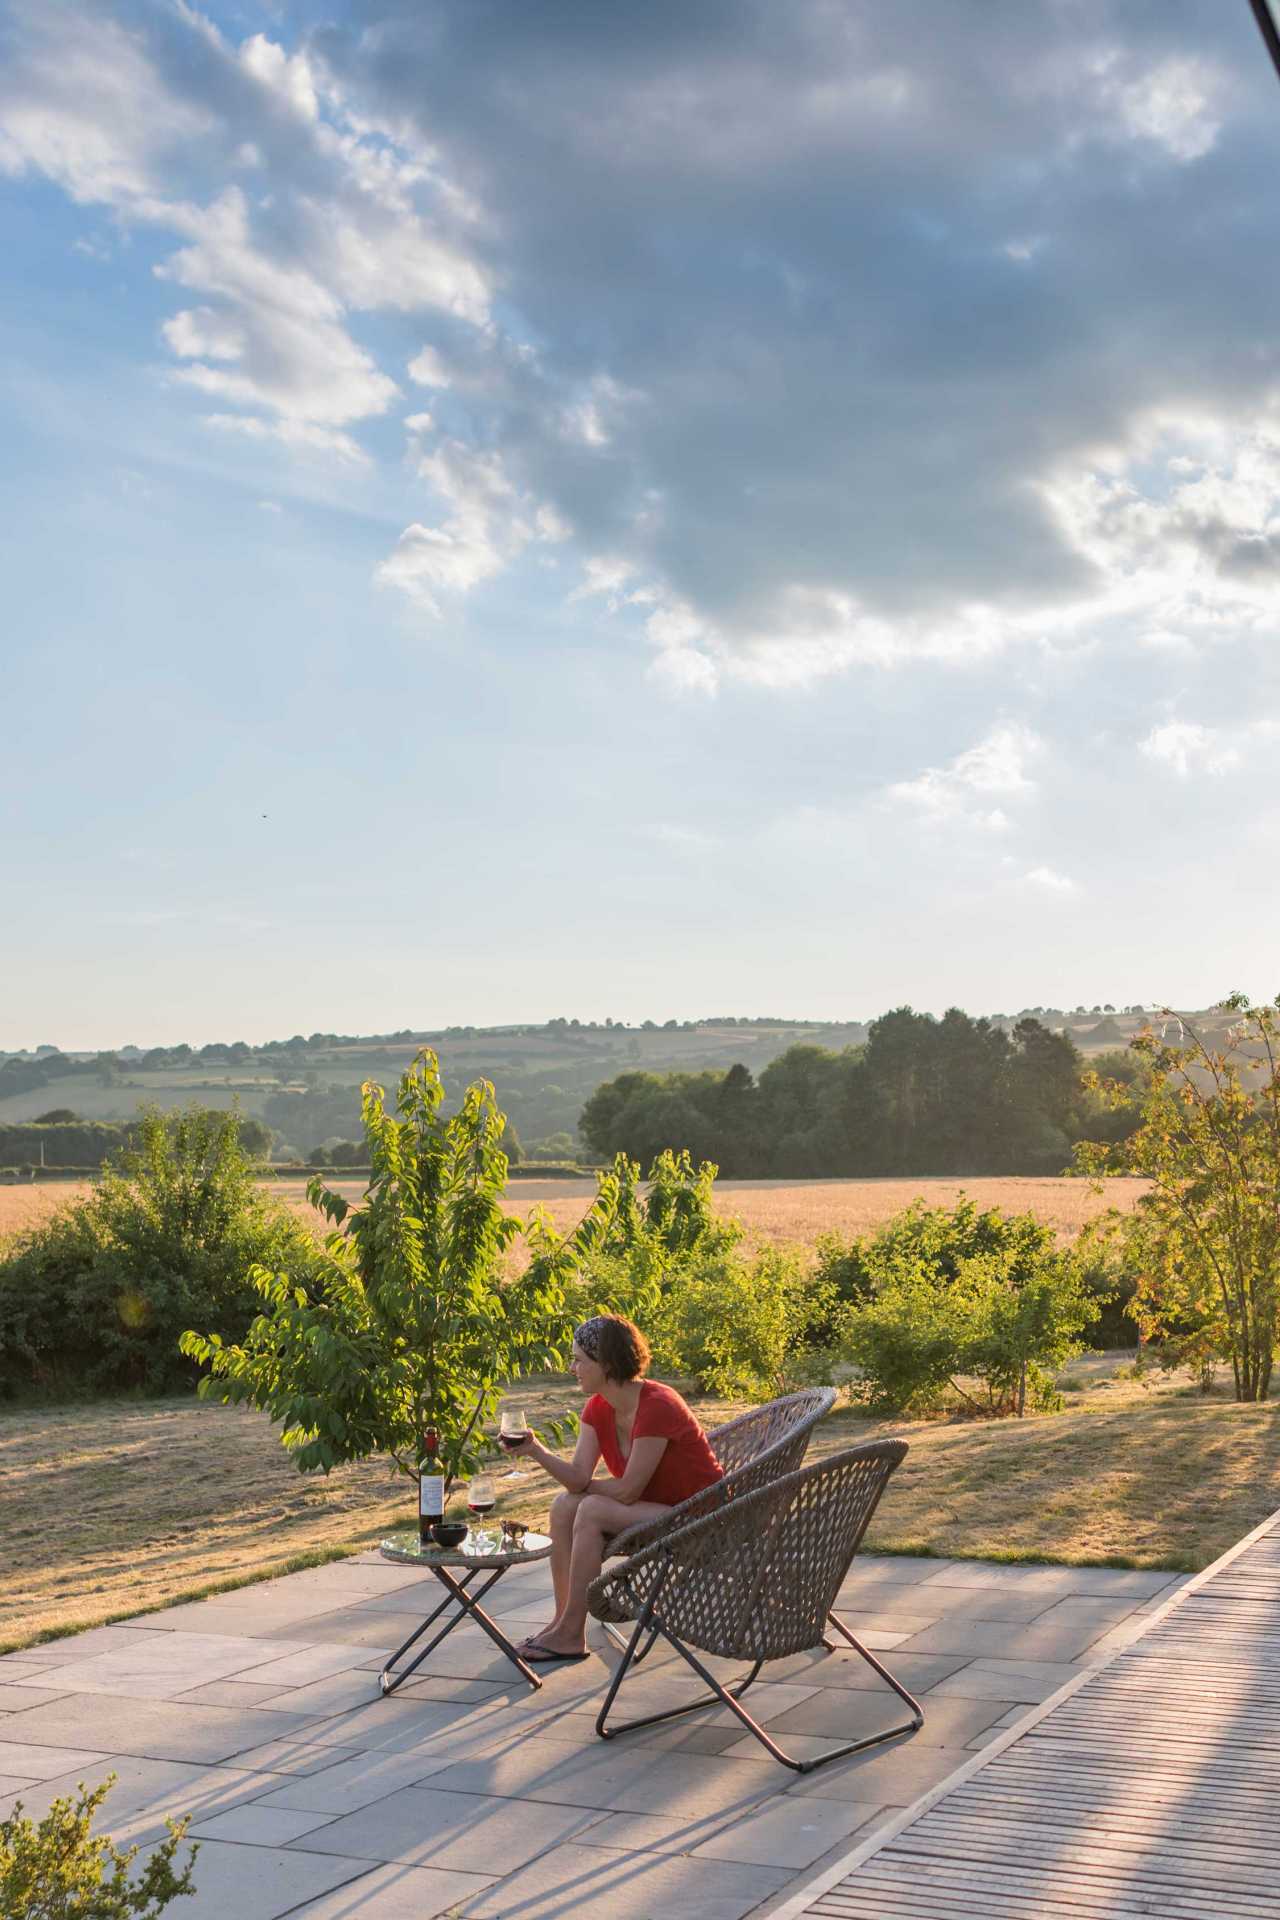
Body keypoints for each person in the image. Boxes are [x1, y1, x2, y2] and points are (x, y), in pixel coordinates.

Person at [507, 1312, 723, 1663]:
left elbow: (627, 1491)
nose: (572, 1368)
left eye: (578, 1360)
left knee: (589, 1508)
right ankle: (564, 1624)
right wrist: (534, 1449)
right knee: (565, 1505)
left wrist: (586, 1488)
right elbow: (578, 1477)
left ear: (605, 1363)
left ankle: (571, 1630)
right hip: (654, 1511)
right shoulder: (598, 1408)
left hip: (700, 1516)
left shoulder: (658, 1405)